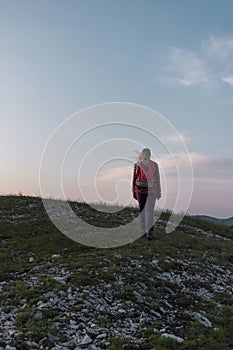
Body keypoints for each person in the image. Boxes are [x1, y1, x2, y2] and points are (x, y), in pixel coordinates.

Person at [132, 148, 161, 240]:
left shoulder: (139, 165)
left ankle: (146, 231)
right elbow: (157, 179)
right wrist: (158, 192)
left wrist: (133, 190)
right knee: (147, 211)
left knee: (145, 211)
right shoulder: (139, 165)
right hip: (147, 191)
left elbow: (134, 180)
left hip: (142, 191)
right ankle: (147, 231)